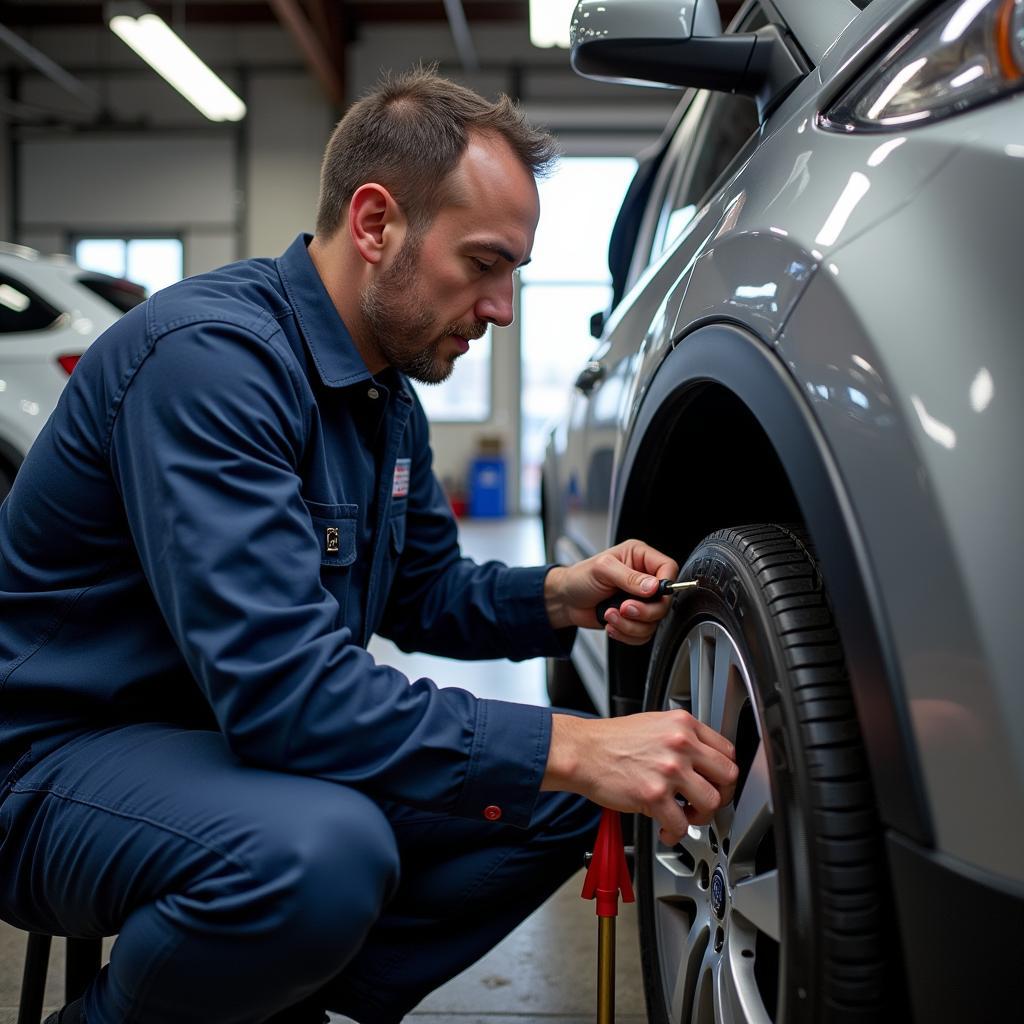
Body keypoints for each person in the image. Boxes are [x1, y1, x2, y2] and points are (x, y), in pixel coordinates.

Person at [0, 68, 738, 1024]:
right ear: (377, 222)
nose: (504, 307)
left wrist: (564, 594)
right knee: (326, 850)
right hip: (57, 768)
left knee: (575, 798)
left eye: (513, 271)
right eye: (484, 263)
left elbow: (424, 591)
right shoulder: (210, 362)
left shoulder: (384, 394)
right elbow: (286, 695)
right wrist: (573, 739)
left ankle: (269, 981)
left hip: (226, 750)